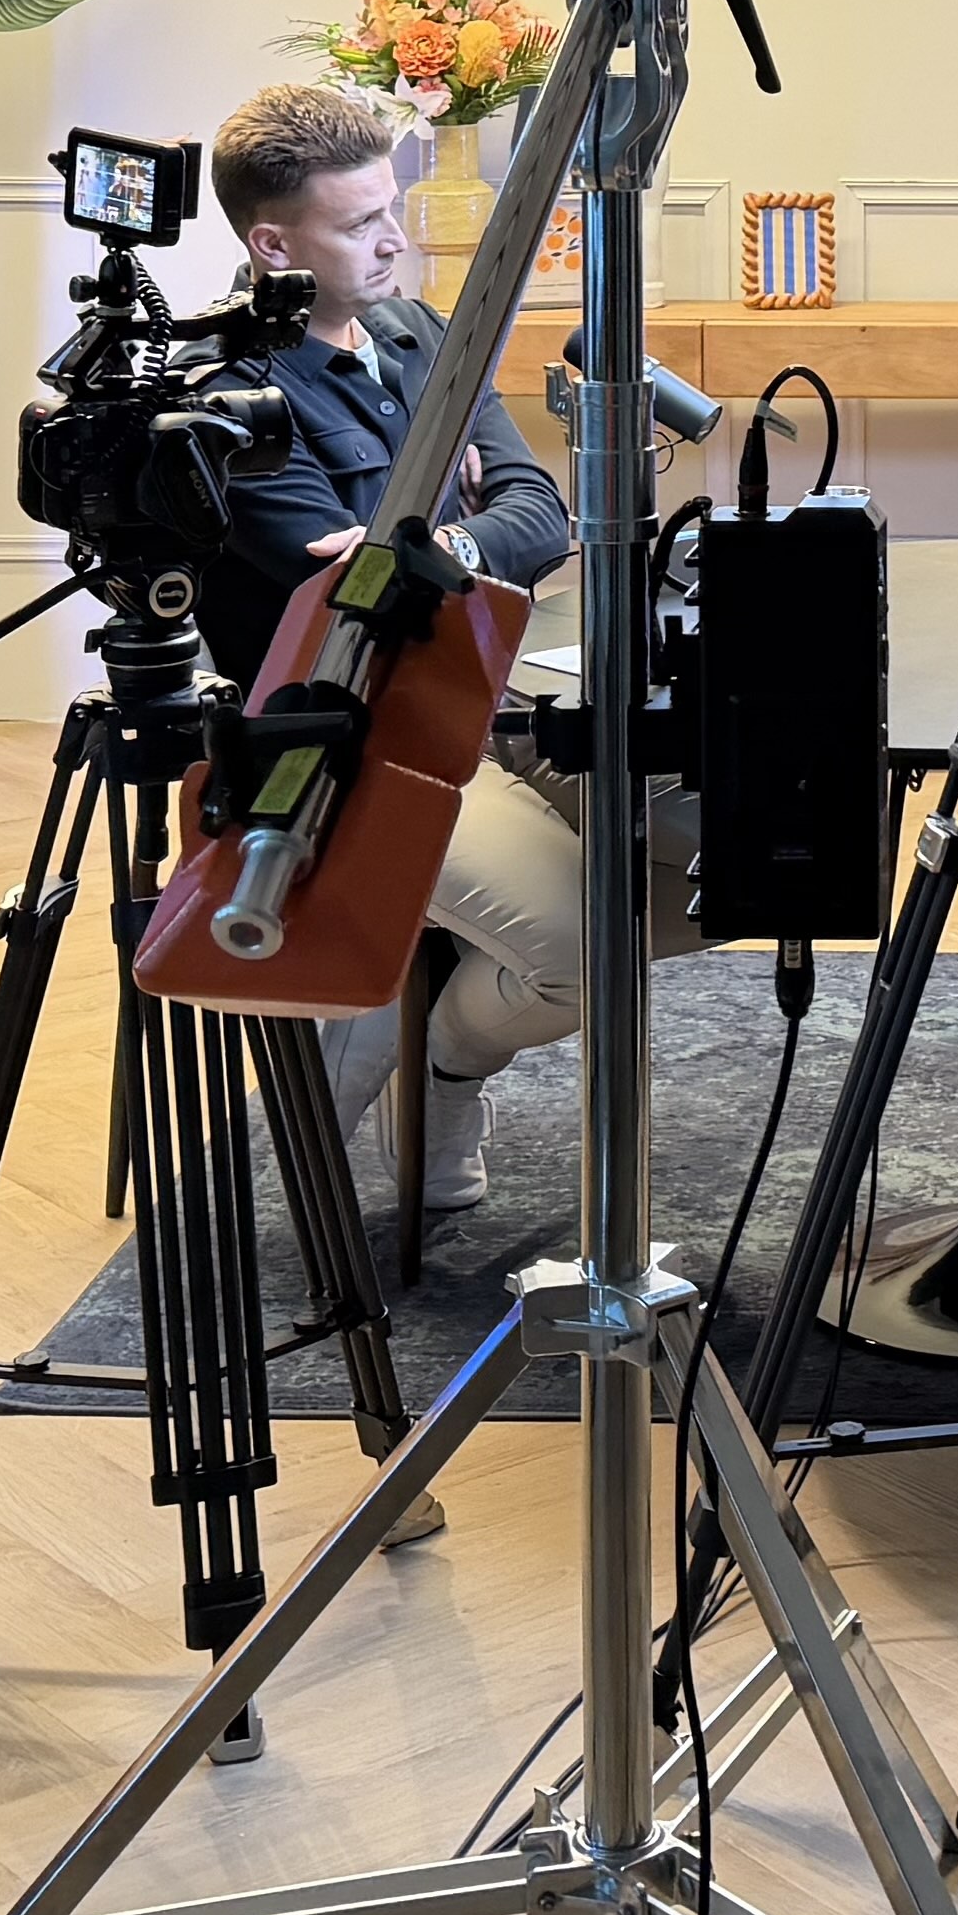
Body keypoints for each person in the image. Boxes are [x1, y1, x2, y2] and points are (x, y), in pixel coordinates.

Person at [191, 79, 683, 1216]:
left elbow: (540, 514)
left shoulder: (416, 334)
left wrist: (435, 539)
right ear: (273, 246)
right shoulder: (230, 393)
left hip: (494, 696)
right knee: (584, 953)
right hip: (356, 749)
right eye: (360, 222)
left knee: (718, 858)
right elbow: (358, 592)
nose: (393, 240)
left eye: (390, 209)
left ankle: (436, 1055)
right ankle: (429, 1070)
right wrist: (439, 534)